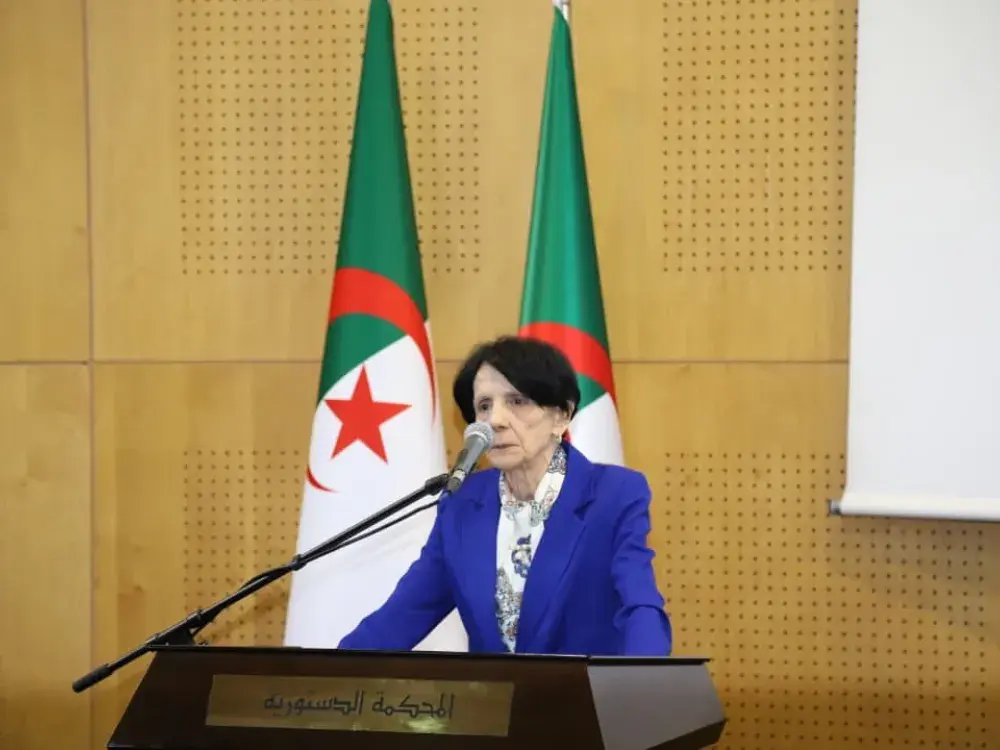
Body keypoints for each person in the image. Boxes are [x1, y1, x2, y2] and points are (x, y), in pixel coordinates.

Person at [337, 335, 673, 656]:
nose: (495, 420)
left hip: (588, 694)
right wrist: (325, 675)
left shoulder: (613, 495)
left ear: (561, 415)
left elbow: (640, 603)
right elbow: (403, 615)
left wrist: (644, 681)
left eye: (517, 401)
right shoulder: (462, 504)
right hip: (492, 697)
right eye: (484, 406)